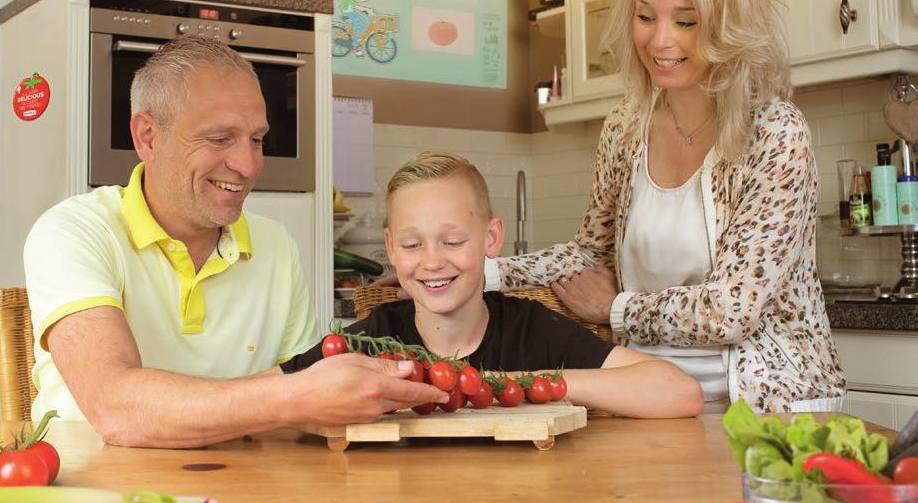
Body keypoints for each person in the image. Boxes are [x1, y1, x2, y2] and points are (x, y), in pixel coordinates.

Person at [486, 0, 845, 414]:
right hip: (649, 396)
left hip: (762, 407)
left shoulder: (775, 133)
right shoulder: (625, 127)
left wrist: (617, 309)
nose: (659, 40)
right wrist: (474, 271)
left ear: (727, 25)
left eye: (685, 21)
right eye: (645, 16)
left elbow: (732, 309)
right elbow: (588, 256)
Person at [23, 36, 446, 448]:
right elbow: (115, 408)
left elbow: (299, 388)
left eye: (257, 139)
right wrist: (298, 396)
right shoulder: (73, 232)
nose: (247, 165)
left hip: (245, 497)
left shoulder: (275, 245)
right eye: (219, 138)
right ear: (148, 136)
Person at [283, 152, 704, 418]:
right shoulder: (373, 337)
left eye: (453, 242)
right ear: (391, 249)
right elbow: (274, 392)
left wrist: (517, 383)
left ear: (491, 239)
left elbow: (680, 393)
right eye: (413, 244)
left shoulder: (532, 329)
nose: (432, 261)